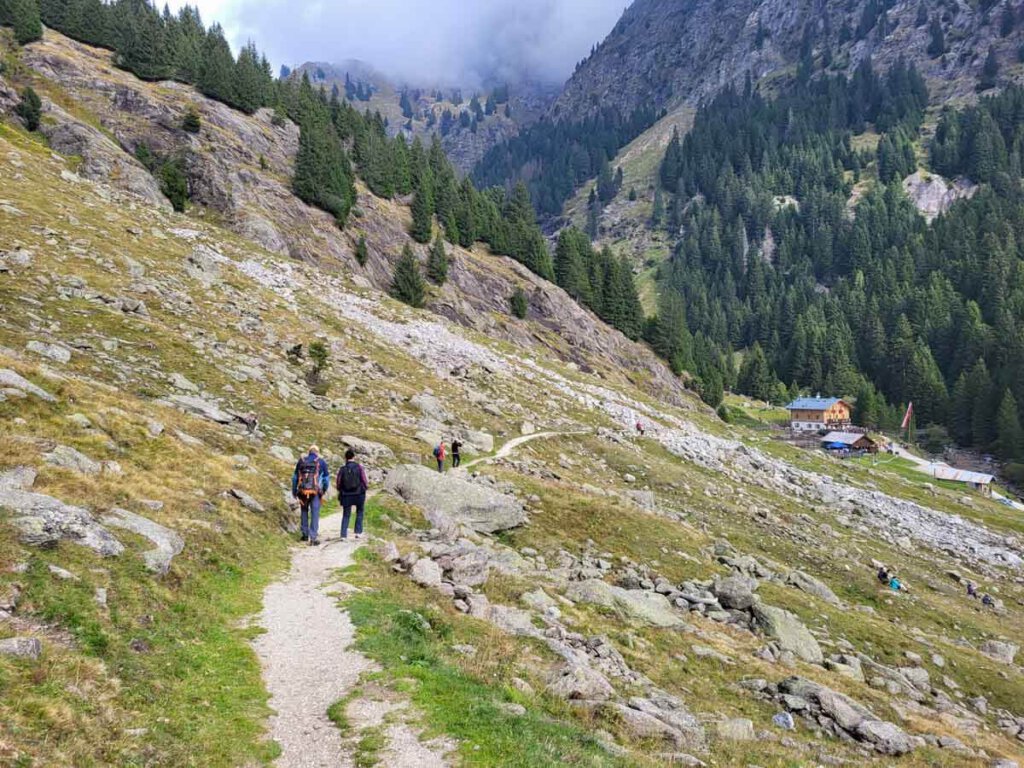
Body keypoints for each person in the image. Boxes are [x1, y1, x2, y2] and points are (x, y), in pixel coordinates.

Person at [292, 445, 329, 546]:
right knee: (315, 512)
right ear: (317, 452)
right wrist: (324, 490)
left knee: (304, 511)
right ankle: (313, 537)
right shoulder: (321, 462)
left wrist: (294, 491)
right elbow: (326, 479)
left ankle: (304, 534)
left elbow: (295, 477)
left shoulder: (301, 461)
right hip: (315, 491)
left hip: (303, 491)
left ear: (309, 452)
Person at [336, 448, 369, 541]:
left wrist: (340, 490)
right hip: (358, 494)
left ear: (345, 458)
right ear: (354, 457)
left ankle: (343, 535)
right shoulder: (359, 467)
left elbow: (338, 482)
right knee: (360, 512)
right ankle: (358, 532)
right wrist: (365, 488)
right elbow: (364, 480)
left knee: (346, 514)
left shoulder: (342, 469)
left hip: (346, 495)